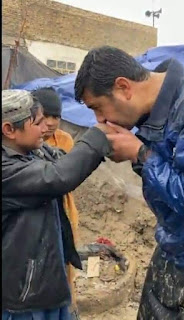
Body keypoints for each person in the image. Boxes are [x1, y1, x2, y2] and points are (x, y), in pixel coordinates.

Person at [74, 46, 184, 320]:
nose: (100, 120)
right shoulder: (153, 113)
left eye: (97, 108)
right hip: (173, 247)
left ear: (123, 87)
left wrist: (140, 154)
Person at [2, 89, 115, 320]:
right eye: (38, 122)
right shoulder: (6, 169)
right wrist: (98, 137)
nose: (47, 127)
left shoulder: (33, 151)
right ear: (9, 130)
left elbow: (63, 161)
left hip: (45, 281)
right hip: (23, 295)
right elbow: (57, 176)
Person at [33, 87, 79, 316]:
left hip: (62, 209)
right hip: (35, 215)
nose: (50, 123)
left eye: (56, 117)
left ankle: (67, 305)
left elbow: (64, 175)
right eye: (46, 116)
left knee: (64, 260)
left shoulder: (64, 139)